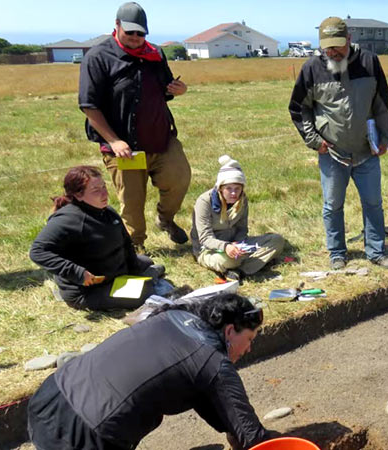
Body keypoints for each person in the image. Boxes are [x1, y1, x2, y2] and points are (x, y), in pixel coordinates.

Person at [27, 292, 273, 450]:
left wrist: (231, 429)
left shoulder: (170, 316)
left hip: (49, 398)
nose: (249, 348)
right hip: (86, 436)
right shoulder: (213, 363)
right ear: (230, 331)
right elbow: (254, 436)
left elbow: (203, 392)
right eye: (250, 338)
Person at [79, 2, 191, 254]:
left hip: (161, 138)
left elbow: (165, 88)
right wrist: (114, 140)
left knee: (179, 179)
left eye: (140, 33)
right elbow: (88, 105)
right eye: (130, 32)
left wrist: (178, 89)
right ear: (116, 26)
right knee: (132, 202)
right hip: (123, 147)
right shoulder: (98, 57)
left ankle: (165, 220)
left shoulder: (155, 54)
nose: (135, 38)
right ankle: (136, 247)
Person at [288, 16, 388, 270]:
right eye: (328, 47)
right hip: (332, 153)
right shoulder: (311, 68)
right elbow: (298, 109)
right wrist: (315, 141)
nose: (333, 52)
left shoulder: (369, 62)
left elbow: (382, 103)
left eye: (338, 46)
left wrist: (386, 138)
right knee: (332, 205)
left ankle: (376, 251)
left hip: (366, 151)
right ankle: (337, 252)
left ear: (349, 39)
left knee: (373, 203)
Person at [30, 166, 165, 311]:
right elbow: (37, 251)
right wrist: (77, 273)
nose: (104, 193)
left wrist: (134, 271)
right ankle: (144, 284)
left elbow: (126, 243)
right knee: (146, 294)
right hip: (88, 290)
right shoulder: (68, 219)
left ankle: (141, 278)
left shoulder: (107, 211)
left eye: (104, 187)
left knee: (145, 261)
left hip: (113, 271)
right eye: (96, 190)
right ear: (78, 195)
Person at [191, 155, 285, 281]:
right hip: (209, 250)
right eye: (229, 189)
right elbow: (205, 238)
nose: (234, 193)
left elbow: (242, 228)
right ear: (220, 188)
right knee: (230, 260)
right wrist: (226, 247)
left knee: (276, 240)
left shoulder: (242, 200)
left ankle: (240, 271)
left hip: (235, 245)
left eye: (237, 189)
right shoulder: (204, 202)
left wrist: (239, 244)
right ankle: (252, 264)